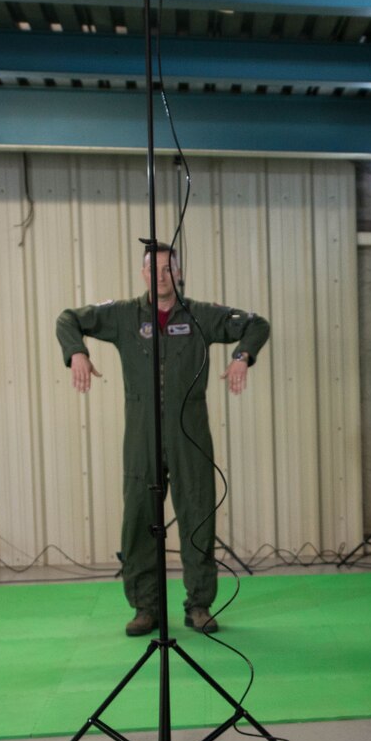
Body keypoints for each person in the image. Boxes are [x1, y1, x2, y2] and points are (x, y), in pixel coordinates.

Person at [55, 240, 269, 635]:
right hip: (142, 437)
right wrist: (76, 353)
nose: (160, 275)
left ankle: (199, 605)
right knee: (139, 519)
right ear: (143, 274)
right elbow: (68, 318)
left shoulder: (202, 315)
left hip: (191, 434)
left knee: (197, 516)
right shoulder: (122, 315)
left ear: (179, 272)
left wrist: (242, 357)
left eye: (168, 268)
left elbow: (256, 323)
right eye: (153, 269)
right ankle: (146, 607)